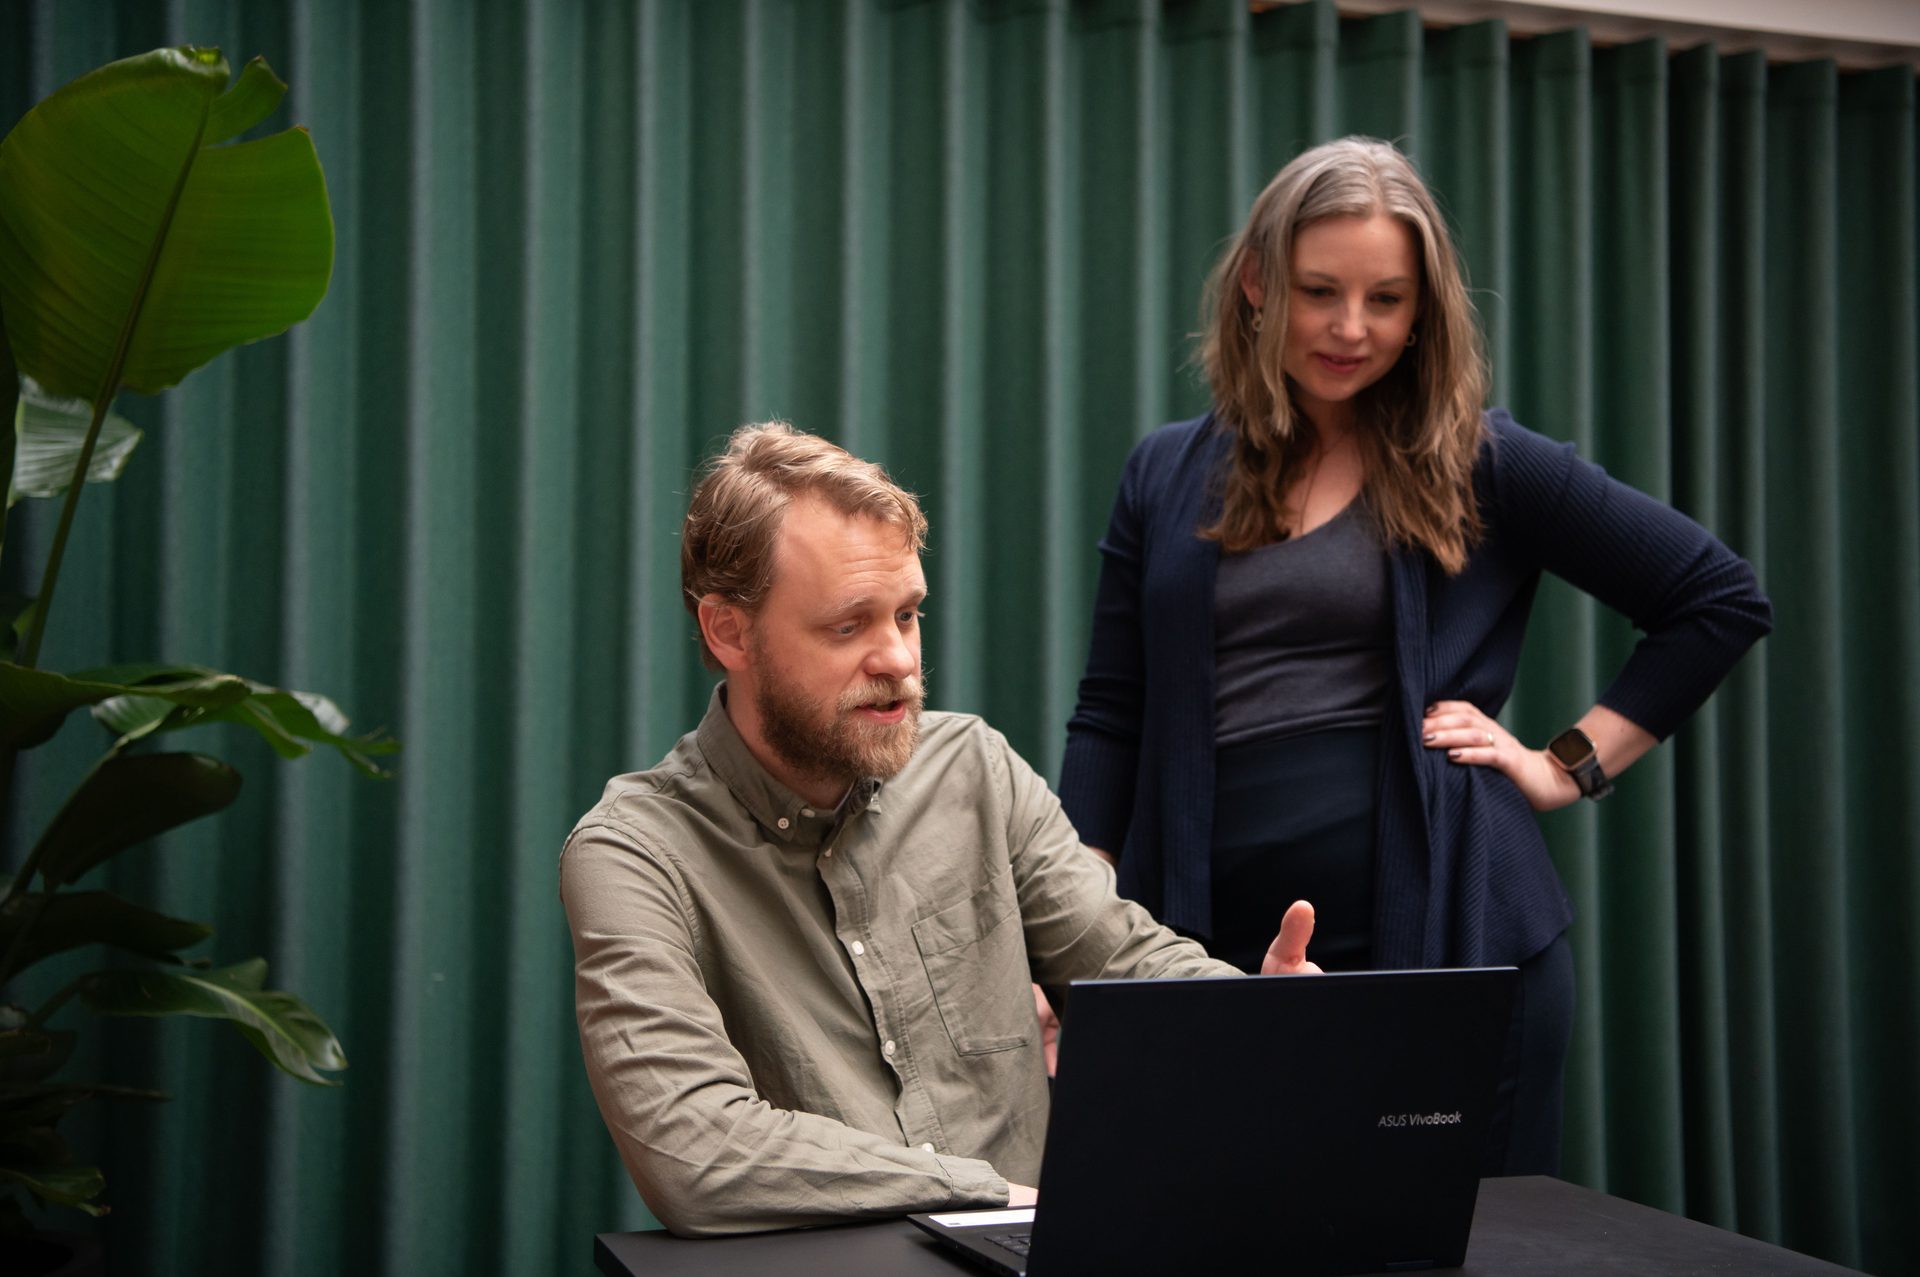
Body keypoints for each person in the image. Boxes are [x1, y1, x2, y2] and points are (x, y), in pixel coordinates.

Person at [1056, 137, 1772, 1177]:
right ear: (1258, 280)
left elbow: (1716, 598)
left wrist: (1564, 763)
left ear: (1424, 309)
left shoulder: (1482, 459)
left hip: (1459, 949)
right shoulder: (1166, 471)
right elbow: (1113, 713)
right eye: (1320, 290)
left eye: (1386, 299)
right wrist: (1074, 925)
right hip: (1210, 958)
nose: (1353, 328)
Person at [560, 422, 1319, 1237]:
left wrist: (1259, 1019)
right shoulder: (637, 853)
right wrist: (981, 1191)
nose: (898, 659)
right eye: (848, 625)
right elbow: (695, 1150)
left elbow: (1125, 962)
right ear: (729, 632)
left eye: (908, 614)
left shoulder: (972, 768)